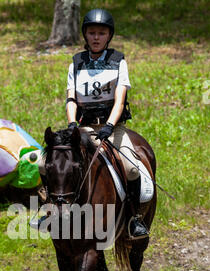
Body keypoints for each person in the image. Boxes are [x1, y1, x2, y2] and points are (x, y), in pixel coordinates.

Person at [66, 8, 149, 239]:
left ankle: (134, 218)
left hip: (111, 127)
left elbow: (120, 100)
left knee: (132, 168)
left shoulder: (118, 61)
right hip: (82, 127)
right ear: (85, 35)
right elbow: (71, 98)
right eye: (91, 32)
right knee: (46, 163)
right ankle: (50, 211)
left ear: (108, 36)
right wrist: (72, 124)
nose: (95, 37)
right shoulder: (75, 63)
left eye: (101, 33)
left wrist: (110, 126)